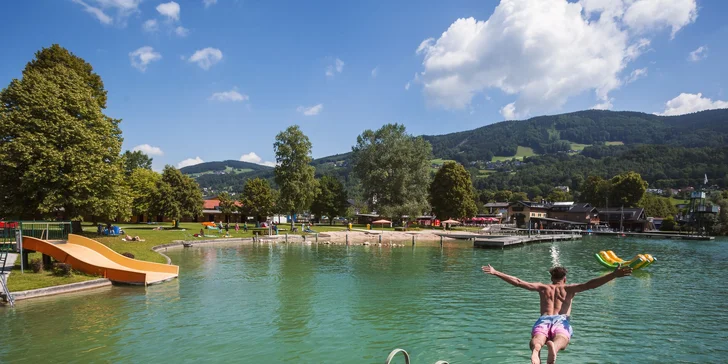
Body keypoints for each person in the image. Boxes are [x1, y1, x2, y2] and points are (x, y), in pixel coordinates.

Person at [481, 264, 632, 364]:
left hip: (544, 319)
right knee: (562, 339)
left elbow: (518, 282)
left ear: (551, 278)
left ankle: (536, 350)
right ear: (564, 278)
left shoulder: (543, 287)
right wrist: (613, 275)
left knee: (537, 338)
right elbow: (590, 284)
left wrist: (496, 272)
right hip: (561, 320)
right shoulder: (570, 288)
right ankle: (554, 347)